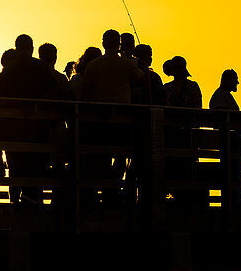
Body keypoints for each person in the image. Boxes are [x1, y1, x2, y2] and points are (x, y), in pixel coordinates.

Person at [79, 30, 146, 203]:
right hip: (122, 120)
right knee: (121, 158)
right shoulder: (126, 64)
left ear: (103, 43)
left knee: (100, 157)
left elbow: (85, 93)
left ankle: (101, 192)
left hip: (99, 120)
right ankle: (114, 192)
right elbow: (140, 77)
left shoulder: (93, 66)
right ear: (119, 45)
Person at [0, 35, 59, 204]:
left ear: (16, 48)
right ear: (32, 47)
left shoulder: (10, 69)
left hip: (13, 128)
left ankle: (14, 201)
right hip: (37, 127)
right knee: (36, 166)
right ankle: (34, 201)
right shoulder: (40, 67)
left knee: (15, 167)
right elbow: (53, 91)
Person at [161, 56, 203, 207]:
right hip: (171, 134)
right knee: (171, 165)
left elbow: (198, 108)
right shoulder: (166, 88)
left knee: (186, 165)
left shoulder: (191, 87)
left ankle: (185, 198)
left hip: (186, 133)